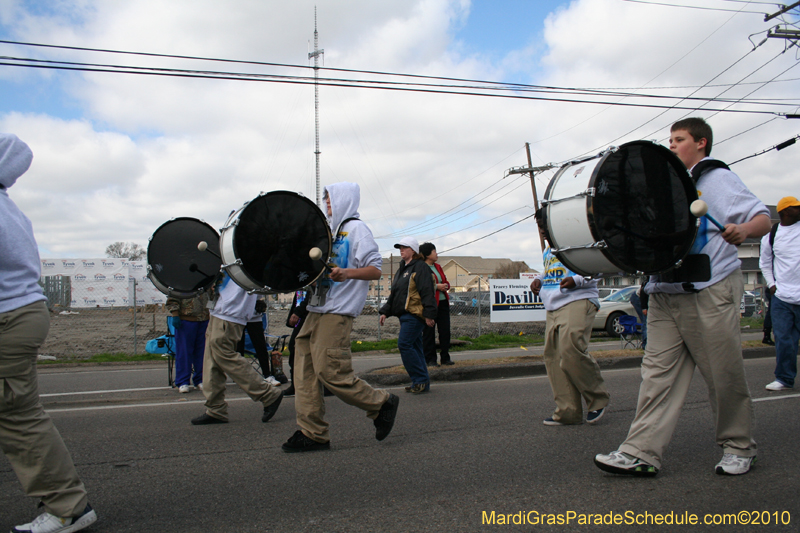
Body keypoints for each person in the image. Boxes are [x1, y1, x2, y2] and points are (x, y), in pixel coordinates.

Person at [595, 117, 771, 477]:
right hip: (663, 293)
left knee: (723, 376)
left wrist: (743, 230)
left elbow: (762, 217)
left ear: (701, 143)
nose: (672, 145)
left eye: (679, 139)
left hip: (707, 291)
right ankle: (640, 452)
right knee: (656, 377)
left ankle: (739, 446)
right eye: (670, 139)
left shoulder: (715, 178)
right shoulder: (660, 187)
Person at [0, 133, 98, 532]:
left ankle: (67, 507)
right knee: (19, 415)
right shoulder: (11, 209)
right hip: (20, 315)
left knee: (19, 417)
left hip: (9, 319)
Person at [282, 182, 399, 452]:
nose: (327, 204)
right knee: (304, 373)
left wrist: (347, 273)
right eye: (325, 200)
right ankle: (312, 433)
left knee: (331, 372)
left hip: (337, 312)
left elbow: (375, 270)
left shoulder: (357, 230)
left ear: (345, 199)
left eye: (331, 199)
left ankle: (381, 403)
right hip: (316, 309)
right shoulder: (329, 232)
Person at [530, 210, 610, 426]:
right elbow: (551, 271)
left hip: (578, 299)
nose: (544, 232)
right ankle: (568, 412)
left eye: (546, 227)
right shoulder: (549, 249)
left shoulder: (578, 240)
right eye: (540, 228)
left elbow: (600, 267)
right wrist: (539, 279)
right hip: (553, 304)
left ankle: (598, 398)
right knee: (553, 357)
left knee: (570, 349)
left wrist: (578, 280)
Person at [191, 273, 284, 425]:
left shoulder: (247, 253)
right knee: (211, 360)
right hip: (218, 309)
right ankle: (216, 409)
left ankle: (268, 394)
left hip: (230, 311)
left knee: (224, 355)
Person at [380, 237, 438, 393]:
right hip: (404, 316)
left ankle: (419, 380)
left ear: (412, 249)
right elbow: (395, 294)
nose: (401, 250)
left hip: (414, 315)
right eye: (399, 247)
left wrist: (429, 314)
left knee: (404, 344)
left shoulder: (420, 267)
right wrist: (385, 311)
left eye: (404, 247)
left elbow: (427, 291)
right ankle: (422, 383)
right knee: (415, 347)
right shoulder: (402, 269)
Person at [759, 196, 800, 391]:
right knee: (784, 341)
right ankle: (784, 378)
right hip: (782, 298)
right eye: (795, 208)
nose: (799, 210)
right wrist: (772, 284)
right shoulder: (771, 235)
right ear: (784, 212)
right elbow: (765, 263)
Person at [166, 293, 209, 393]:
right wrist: (175, 314)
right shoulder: (182, 280)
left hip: (204, 319)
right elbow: (173, 297)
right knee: (184, 352)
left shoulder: (207, 280)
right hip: (186, 319)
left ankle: (201, 379)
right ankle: (182, 381)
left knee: (202, 352)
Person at [419, 242, 453, 366]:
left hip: (443, 303)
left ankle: (445, 357)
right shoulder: (421, 267)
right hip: (430, 304)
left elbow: (445, 281)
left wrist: (445, 286)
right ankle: (430, 359)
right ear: (428, 254)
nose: (436, 253)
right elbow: (421, 285)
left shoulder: (438, 267)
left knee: (445, 331)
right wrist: (436, 286)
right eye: (434, 251)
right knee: (429, 332)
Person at [235, 298, 283, 387]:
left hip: (254, 317)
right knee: (239, 348)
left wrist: (260, 302)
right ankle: (239, 376)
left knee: (261, 347)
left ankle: (267, 375)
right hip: (238, 315)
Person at [283, 289, 310, 397]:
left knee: (314, 350)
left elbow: (313, 293)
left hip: (312, 313)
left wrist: (298, 312)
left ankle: (326, 384)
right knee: (294, 347)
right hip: (303, 312)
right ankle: (295, 384)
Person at [629, 279, 649, 349]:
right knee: (646, 321)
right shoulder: (650, 284)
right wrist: (644, 308)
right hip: (638, 298)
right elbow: (643, 292)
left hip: (644, 299)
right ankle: (645, 345)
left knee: (648, 321)